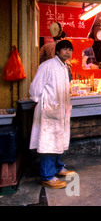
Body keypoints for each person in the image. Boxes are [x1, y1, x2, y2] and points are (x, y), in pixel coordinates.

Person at [29, 40, 77, 189]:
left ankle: (58, 167)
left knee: (59, 140)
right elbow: (35, 90)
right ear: (57, 51)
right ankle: (47, 176)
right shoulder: (47, 66)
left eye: (70, 49)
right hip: (49, 111)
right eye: (64, 49)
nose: (67, 52)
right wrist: (45, 104)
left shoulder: (64, 66)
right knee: (48, 143)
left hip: (60, 110)